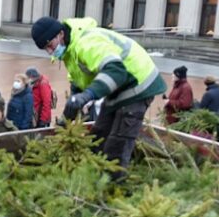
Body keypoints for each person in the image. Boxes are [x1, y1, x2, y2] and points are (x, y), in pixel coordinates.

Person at [30, 15, 165, 173]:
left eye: (50, 45)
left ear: (60, 34)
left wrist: (88, 95)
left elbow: (115, 71)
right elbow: (78, 83)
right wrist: (66, 118)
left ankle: (113, 184)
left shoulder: (86, 43)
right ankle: (93, 176)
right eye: (45, 49)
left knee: (117, 145)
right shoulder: (69, 53)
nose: (50, 52)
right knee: (99, 134)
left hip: (138, 81)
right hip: (118, 87)